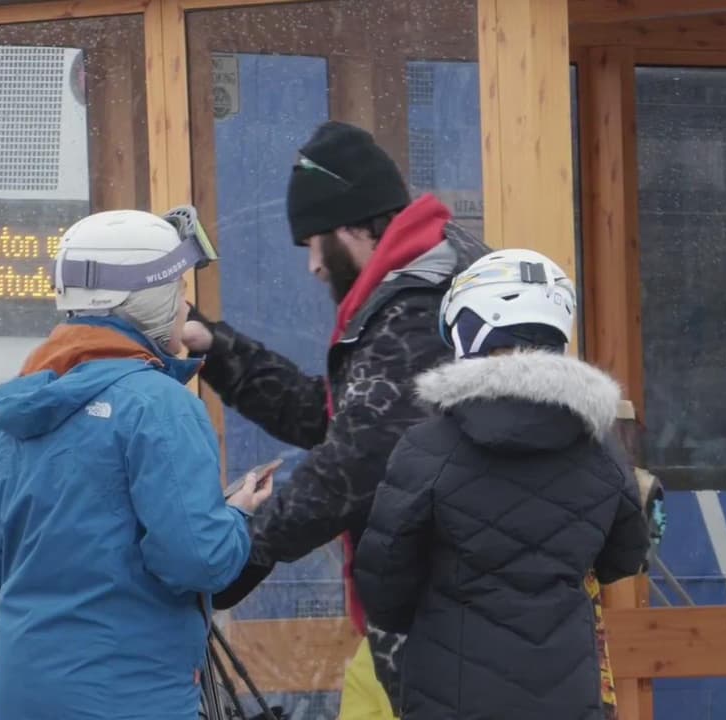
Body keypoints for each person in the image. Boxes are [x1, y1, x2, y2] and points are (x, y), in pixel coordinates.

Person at [182, 120, 488, 717]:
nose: (313, 266)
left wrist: (237, 557)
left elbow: (355, 462)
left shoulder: (420, 307)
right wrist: (216, 348)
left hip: (448, 627)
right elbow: (336, 421)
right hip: (426, 616)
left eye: (314, 242)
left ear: (352, 226)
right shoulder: (422, 292)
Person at [0, 207, 274, 720]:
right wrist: (236, 516)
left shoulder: (22, 405)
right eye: (178, 289)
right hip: (130, 698)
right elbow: (198, 561)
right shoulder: (159, 406)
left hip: (22, 698)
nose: (185, 305)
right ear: (149, 300)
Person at [353, 249, 653, 720]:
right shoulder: (601, 450)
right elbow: (626, 555)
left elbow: (383, 585)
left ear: (470, 333)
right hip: (568, 695)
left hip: (452, 695)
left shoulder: (428, 448)